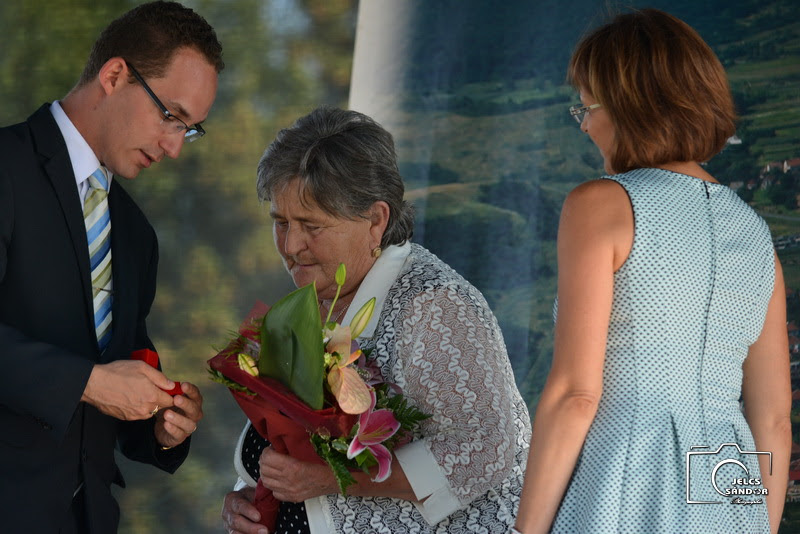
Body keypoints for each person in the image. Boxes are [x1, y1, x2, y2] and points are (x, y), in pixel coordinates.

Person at [513, 9, 790, 534]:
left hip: (627, 482)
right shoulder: (756, 234)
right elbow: (774, 421)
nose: (585, 124)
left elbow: (576, 395)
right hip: (733, 497)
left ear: (629, 103)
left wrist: (523, 531)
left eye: (587, 106)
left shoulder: (601, 205)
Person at [221, 106, 531, 533]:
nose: (291, 245)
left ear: (375, 220)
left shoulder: (433, 305)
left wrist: (332, 480)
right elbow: (283, 441)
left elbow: (486, 450)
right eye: (281, 222)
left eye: (311, 225)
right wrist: (245, 496)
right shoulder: (315, 302)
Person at [0, 2, 224, 532]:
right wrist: (88, 382)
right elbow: (94, 384)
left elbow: (115, 384)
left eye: (190, 130)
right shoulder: (5, 166)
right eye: (170, 116)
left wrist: (161, 426)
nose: (174, 147)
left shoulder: (135, 233)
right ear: (115, 75)